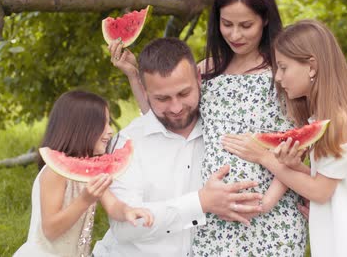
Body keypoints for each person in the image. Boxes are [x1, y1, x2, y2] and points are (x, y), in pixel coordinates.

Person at [109, 0, 308, 256]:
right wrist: (132, 75)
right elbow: (168, 117)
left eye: (246, 25)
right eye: (227, 24)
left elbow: (298, 144)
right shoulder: (207, 71)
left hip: (271, 216)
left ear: (265, 19)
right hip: (214, 217)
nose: (235, 35)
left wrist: (266, 202)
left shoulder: (282, 72)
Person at [222, 19, 347, 257]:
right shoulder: (329, 114)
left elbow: (320, 191)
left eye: (284, 67)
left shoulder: (338, 119)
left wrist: (264, 157)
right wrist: (296, 167)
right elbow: (333, 181)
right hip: (344, 233)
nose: (278, 77)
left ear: (312, 66)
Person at [93, 38, 264, 257]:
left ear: (200, 81)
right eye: (162, 98)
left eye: (184, 94)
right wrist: (201, 202)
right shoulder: (125, 143)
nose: (175, 108)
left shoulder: (224, 131)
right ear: (144, 94)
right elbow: (125, 228)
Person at [14, 90, 153, 257]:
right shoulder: (54, 172)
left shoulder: (90, 170)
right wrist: (85, 200)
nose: (110, 131)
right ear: (82, 127)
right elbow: (50, 230)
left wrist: (127, 211)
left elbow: (113, 205)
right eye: (104, 123)